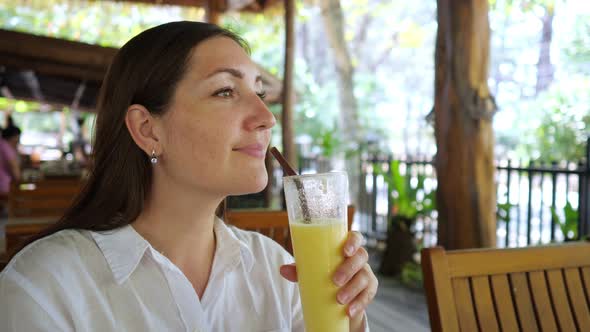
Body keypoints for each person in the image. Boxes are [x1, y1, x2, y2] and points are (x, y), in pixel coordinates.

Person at [0, 21, 378, 331]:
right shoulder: (45, 288)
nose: (266, 116)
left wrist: (349, 319)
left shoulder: (277, 271)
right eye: (226, 91)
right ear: (148, 129)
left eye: (258, 91)